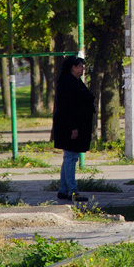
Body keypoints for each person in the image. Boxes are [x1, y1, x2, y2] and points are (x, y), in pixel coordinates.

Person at [52, 55, 95, 203]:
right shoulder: (67, 83)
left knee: (69, 158)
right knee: (70, 158)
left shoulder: (76, 81)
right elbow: (67, 107)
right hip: (69, 126)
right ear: (73, 67)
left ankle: (63, 190)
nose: (83, 69)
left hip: (76, 125)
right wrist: (73, 127)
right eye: (80, 66)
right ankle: (72, 191)